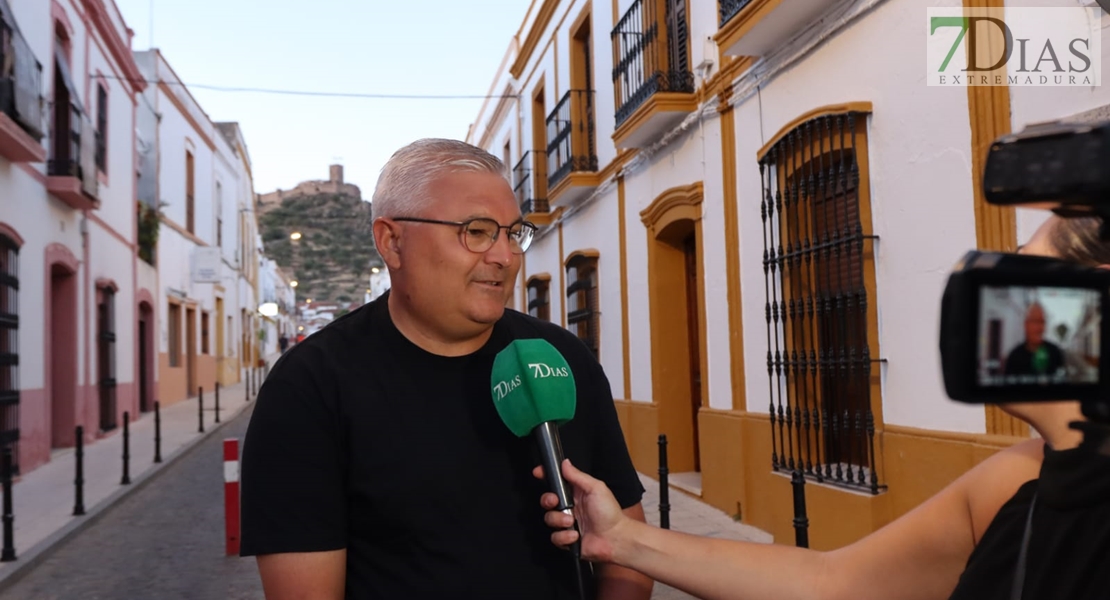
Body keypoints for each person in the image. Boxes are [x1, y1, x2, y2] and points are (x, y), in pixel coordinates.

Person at [537, 214, 1110, 600]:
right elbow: (835, 582)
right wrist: (623, 539)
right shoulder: (1020, 478)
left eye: (1022, 267)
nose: (990, 291)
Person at [239, 138, 654, 600]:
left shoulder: (561, 357)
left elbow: (628, 551)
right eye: (477, 231)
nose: (504, 256)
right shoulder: (308, 388)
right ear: (391, 242)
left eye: (512, 233)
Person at [1003, 302, 1065, 378]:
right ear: (1025, 325)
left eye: (1042, 322)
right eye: (1035, 321)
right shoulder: (1014, 356)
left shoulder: (1055, 353)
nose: (1040, 328)